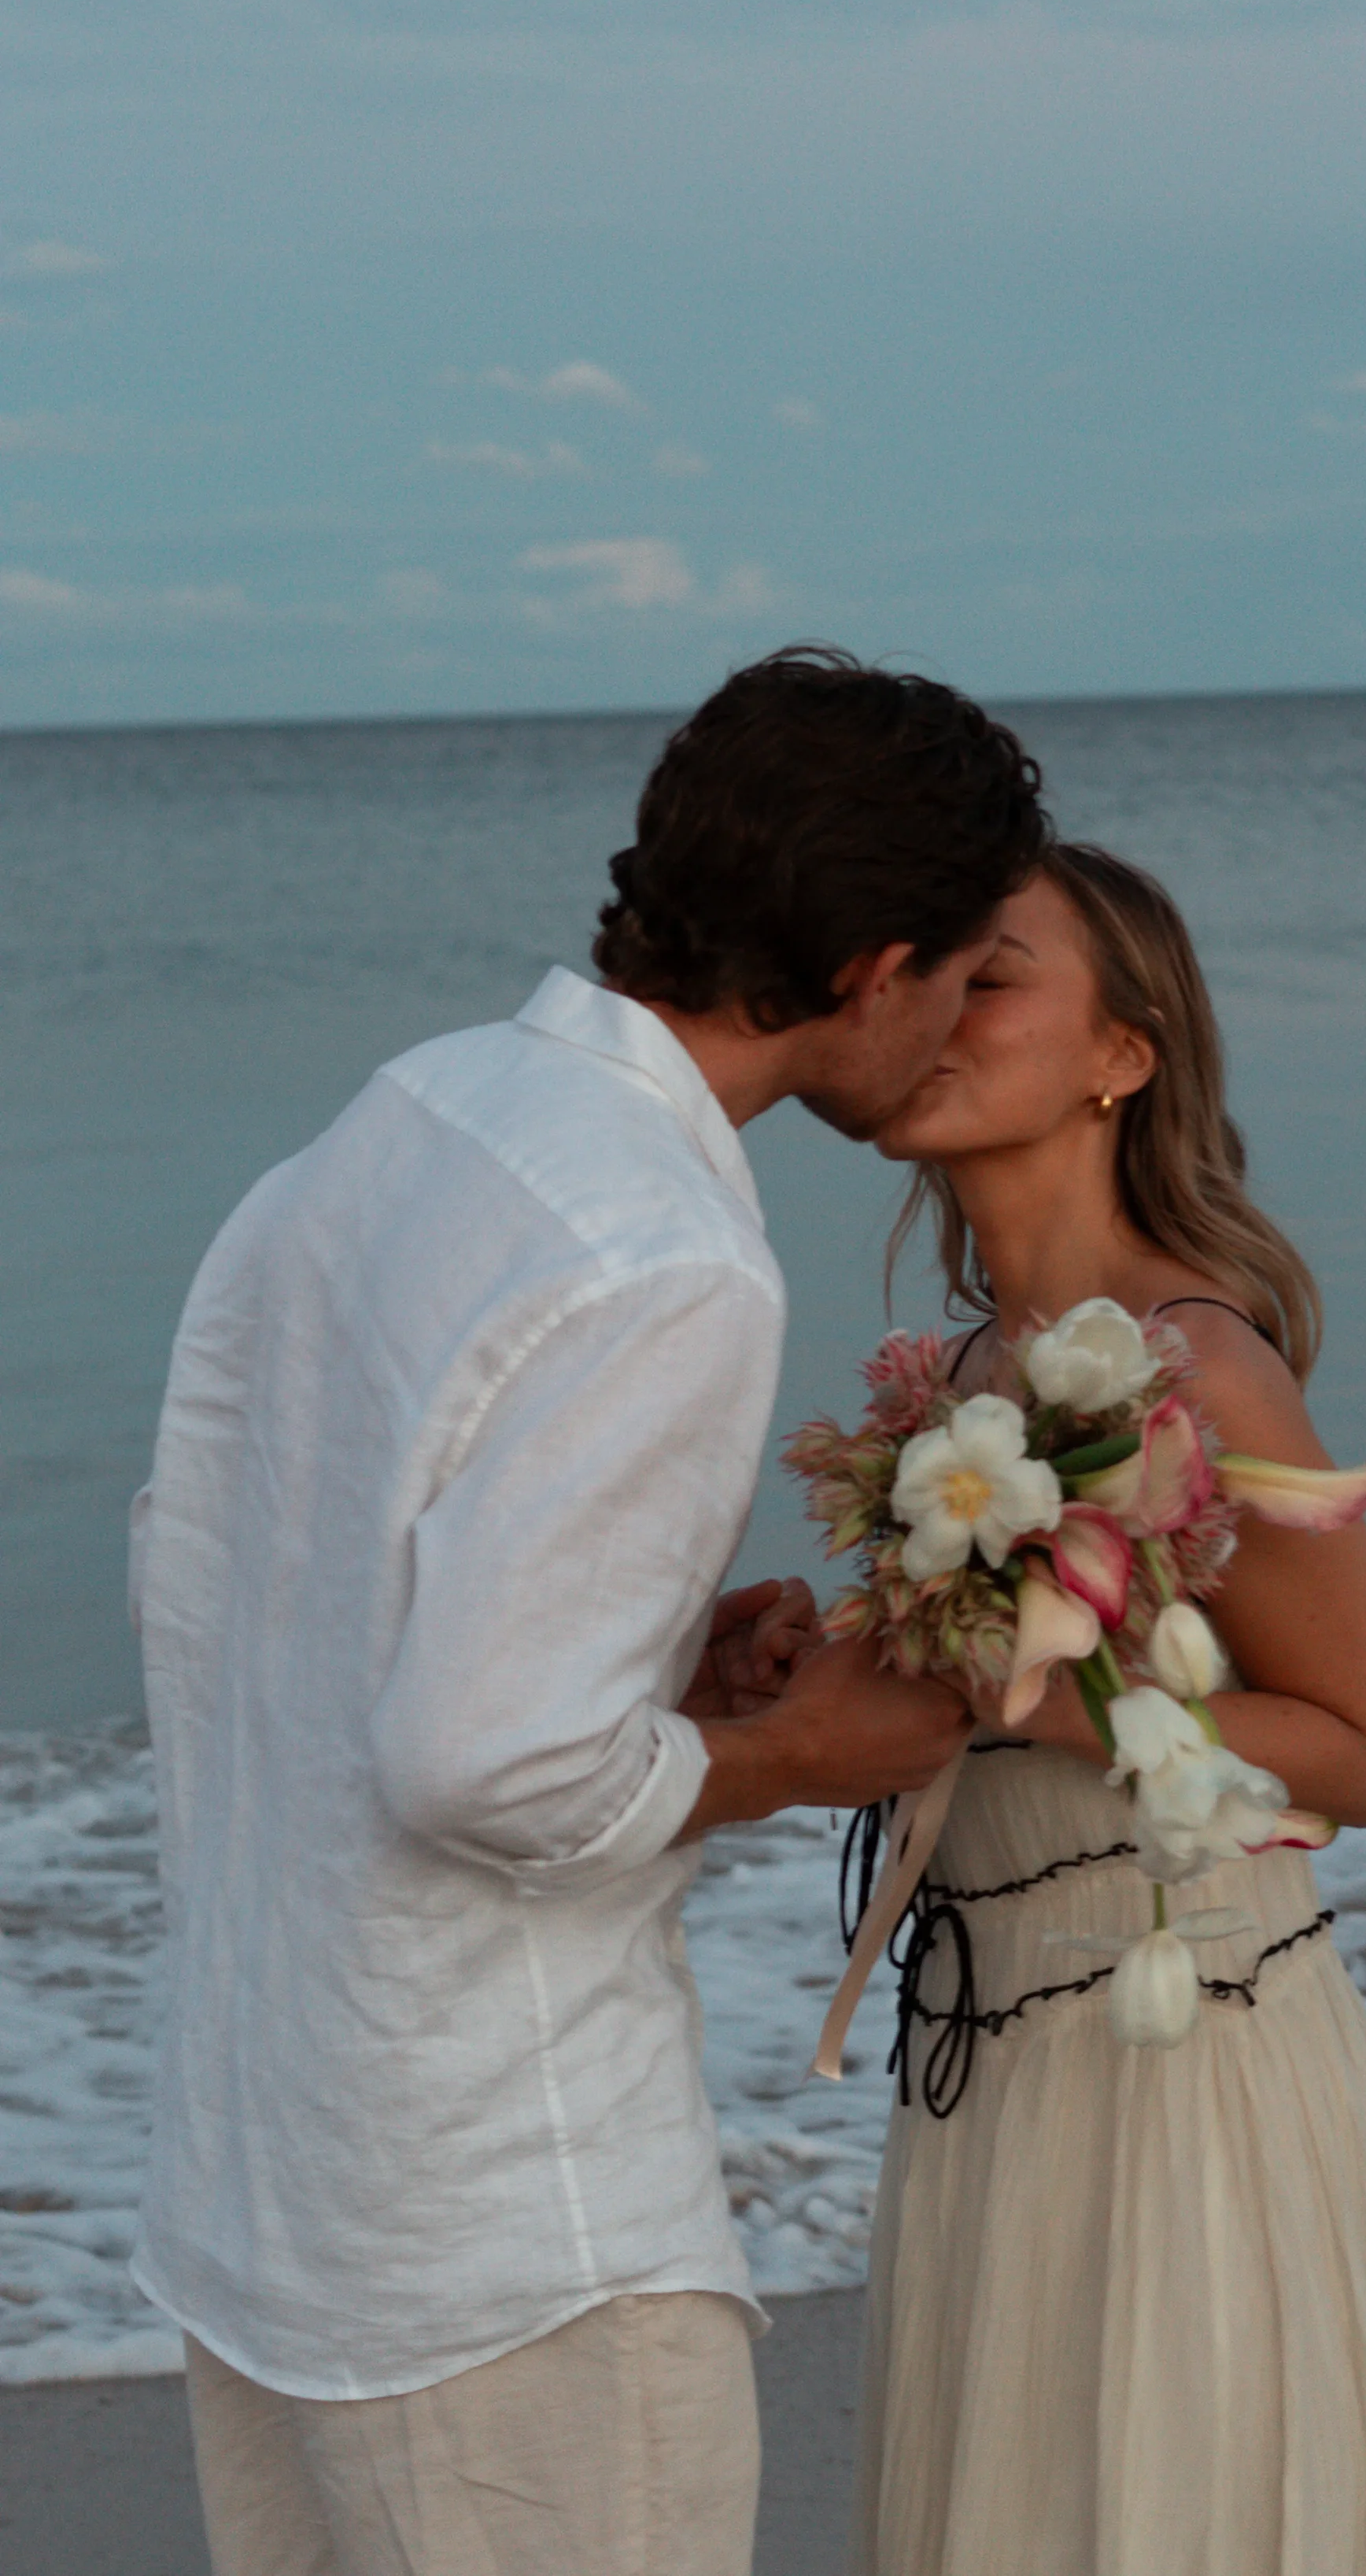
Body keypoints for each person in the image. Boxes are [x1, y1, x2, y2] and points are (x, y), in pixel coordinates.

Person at [131, 647, 1049, 2576]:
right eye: (968, 972)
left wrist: (651, 1672)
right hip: (499, 2229)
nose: (965, 1023)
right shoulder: (668, 1250)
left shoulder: (421, 1110)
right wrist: (791, 1758)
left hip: (269, 2163)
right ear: (875, 963)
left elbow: (255, 1571)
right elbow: (480, 1762)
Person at [851, 841, 1366, 2576]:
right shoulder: (958, 1380)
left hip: (1181, 2056)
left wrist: (1044, 1705)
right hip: (995, 2063)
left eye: (996, 977)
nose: (936, 1011)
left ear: (1122, 1056)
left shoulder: (1204, 1364)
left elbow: (1360, 1752)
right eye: (924, 973)